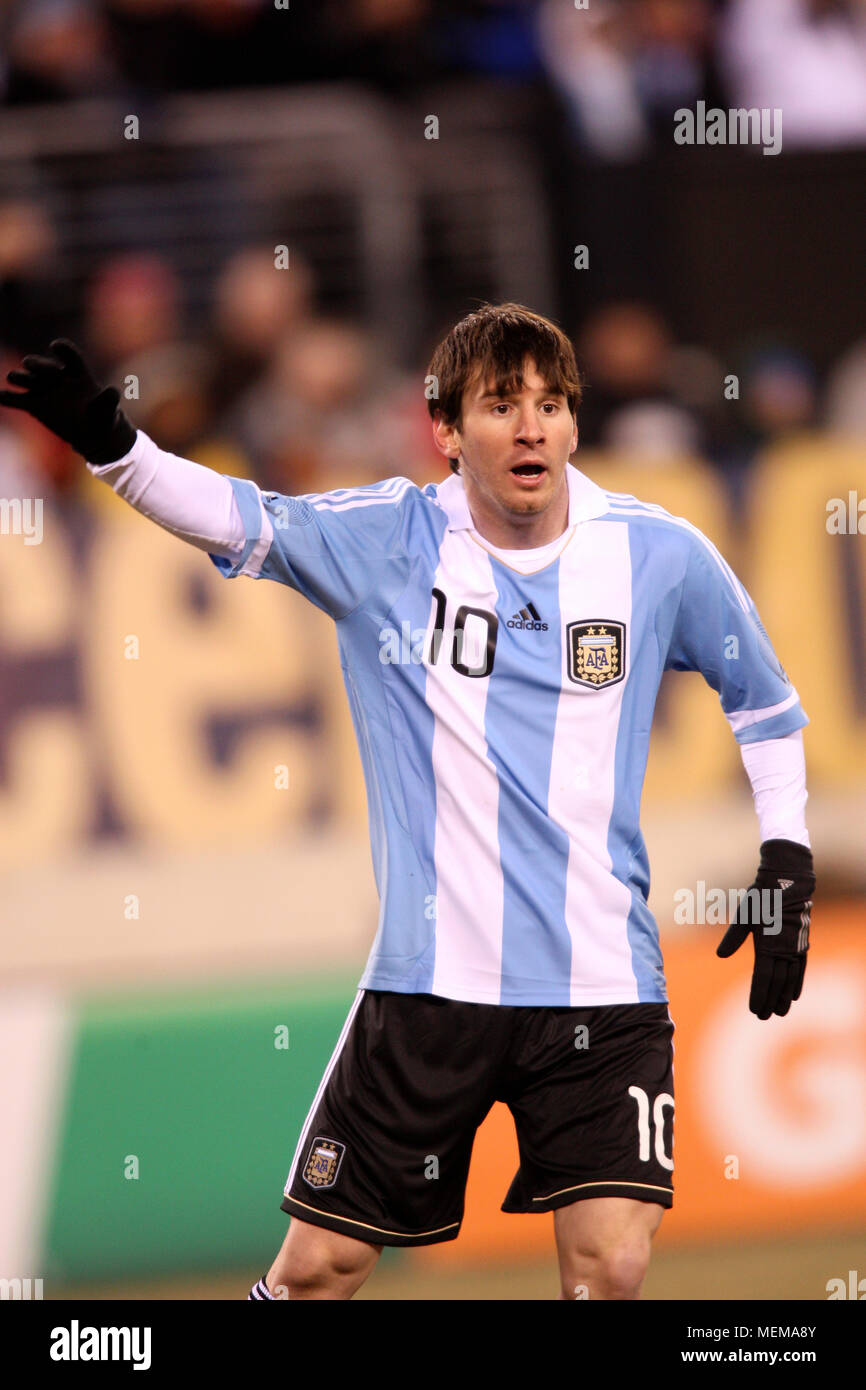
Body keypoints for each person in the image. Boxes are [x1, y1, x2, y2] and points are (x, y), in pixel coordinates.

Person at [0, 304, 815, 1301]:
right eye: (500, 404)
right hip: (432, 989)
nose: (530, 428)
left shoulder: (657, 554)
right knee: (319, 1271)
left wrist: (786, 862)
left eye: (550, 404)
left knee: (612, 1265)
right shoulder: (385, 539)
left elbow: (765, 705)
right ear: (443, 428)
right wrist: (114, 448)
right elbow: (232, 512)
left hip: (602, 985)